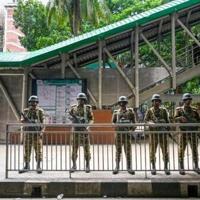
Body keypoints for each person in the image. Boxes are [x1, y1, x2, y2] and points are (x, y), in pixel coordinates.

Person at [174, 93, 200, 175]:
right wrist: (180, 118)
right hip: (183, 133)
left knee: (195, 150)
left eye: (189, 99)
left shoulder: (195, 110)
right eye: (186, 100)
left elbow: (198, 121)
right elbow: (174, 119)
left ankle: (196, 166)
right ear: (183, 101)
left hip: (193, 133)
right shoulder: (179, 110)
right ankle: (181, 166)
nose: (188, 101)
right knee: (181, 149)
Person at [144, 94, 170, 175]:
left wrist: (167, 129)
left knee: (165, 151)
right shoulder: (149, 111)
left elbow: (168, 121)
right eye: (155, 101)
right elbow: (145, 120)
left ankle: (166, 167)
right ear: (152, 102)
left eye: (158, 101)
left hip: (163, 134)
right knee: (152, 151)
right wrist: (150, 123)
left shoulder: (164, 110)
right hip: (153, 134)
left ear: (160, 102)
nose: (156, 102)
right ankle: (153, 167)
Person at [19, 95, 44, 174]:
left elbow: (43, 123)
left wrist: (41, 132)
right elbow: (22, 121)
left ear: (37, 103)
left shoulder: (40, 111)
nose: (33, 104)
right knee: (27, 150)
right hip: (28, 134)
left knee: (38, 151)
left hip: (37, 134)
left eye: (35, 102)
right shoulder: (26, 111)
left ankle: (38, 166)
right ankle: (27, 166)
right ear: (29, 103)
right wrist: (25, 120)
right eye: (32, 102)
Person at [69, 92, 94, 173]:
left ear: (85, 100)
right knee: (74, 149)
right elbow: (69, 116)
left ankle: (87, 165)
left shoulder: (87, 108)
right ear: (77, 100)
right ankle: (74, 165)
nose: (81, 101)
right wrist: (73, 119)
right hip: (75, 131)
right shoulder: (73, 108)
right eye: (79, 99)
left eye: (82, 100)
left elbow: (91, 119)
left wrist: (88, 126)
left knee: (87, 149)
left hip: (84, 132)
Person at [112, 96, 136, 175]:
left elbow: (135, 123)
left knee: (128, 152)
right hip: (118, 135)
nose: (122, 104)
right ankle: (117, 167)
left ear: (126, 103)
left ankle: (129, 167)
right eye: (121, 103)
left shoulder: (130, 112)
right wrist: (116, 126)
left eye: (124, 102)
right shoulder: (116, 112)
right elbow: (112, 123)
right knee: (118, 152)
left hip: (127, 135)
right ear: (119, 104)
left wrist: (131, 130)